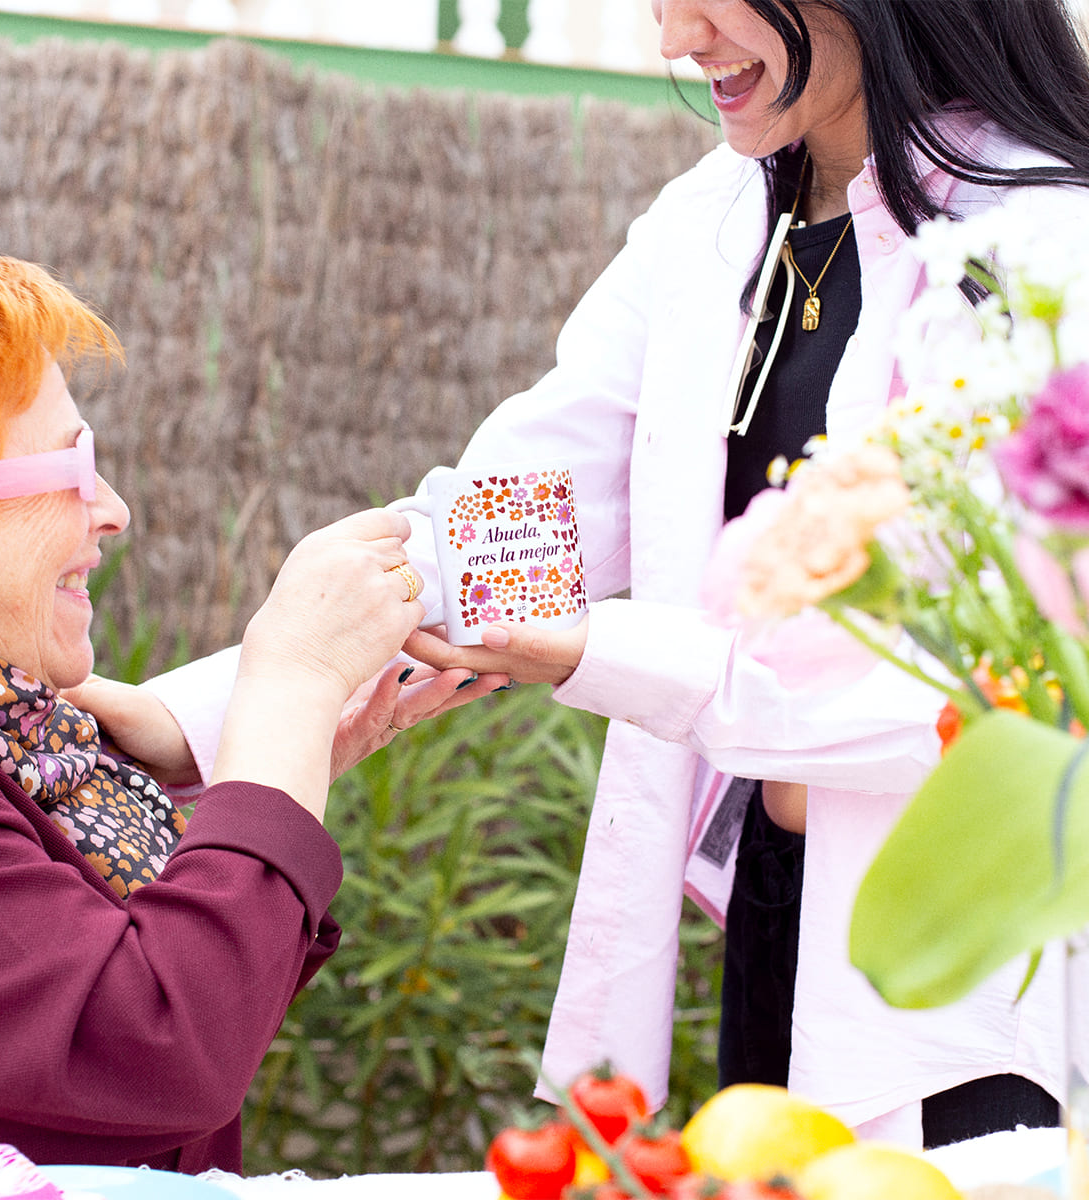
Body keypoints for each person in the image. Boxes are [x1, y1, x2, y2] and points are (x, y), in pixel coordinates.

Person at [97, 0, 1089, 1150]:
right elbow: (515, 523)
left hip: (973, 964)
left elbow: (992, 690)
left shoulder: (1045, 252)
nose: (674, 40)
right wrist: (201, 714)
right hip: (778, 905)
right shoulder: (711, 225)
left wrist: (595, 652)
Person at [0, 247, 505, 1172]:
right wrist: (285, 695)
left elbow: (86, 1015)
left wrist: (288, 769)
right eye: (66, 468)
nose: (113, 510)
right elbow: (159, 1046)